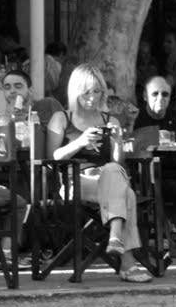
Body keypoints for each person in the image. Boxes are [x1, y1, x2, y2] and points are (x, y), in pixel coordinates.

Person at [47, 64, 156, 283]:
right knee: (129, 195)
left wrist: (116, 141)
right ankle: (127, 261)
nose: (92, 97)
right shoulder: (61, 118)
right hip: (74, 181)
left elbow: (118, 164)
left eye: (97, 91)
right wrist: (80, 142)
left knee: (113, 170)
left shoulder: (111, 121)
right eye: (87, 91)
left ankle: (117, 240)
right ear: (76, 91)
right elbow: (52, 158)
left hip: (107, 179)